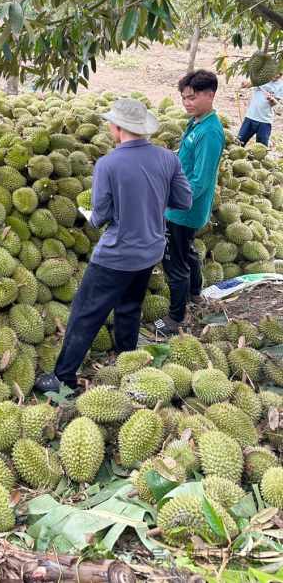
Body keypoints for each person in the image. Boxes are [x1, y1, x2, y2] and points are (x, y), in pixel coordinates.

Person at [35, 99, 192, 394]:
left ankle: (62, 378)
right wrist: (151, 202)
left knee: (85, 313)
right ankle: (126, 363)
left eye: (111, 123)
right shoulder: (167, 158)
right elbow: (184, 201)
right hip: (150, 250)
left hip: (116, 255)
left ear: (118, 128)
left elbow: (101, 217)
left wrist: (91, 216)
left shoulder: (108, 163)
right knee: (130, 306)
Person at [155, 69, 225, 336]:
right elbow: (188, 163)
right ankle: (196, 293)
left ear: (210, 96)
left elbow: (201, 181)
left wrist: (169, 200)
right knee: (187, 248)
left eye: (192, 98)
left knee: (175, 262)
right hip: (185, 207)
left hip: (182, 209)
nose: (186, 103)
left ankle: (175, 319)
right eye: (183, 97)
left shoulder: (209, 132)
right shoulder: (197, 121)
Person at [238, 74, 283, 148]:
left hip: (265, 121)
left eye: (281, 74)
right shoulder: (261, 78)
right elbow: (246, 84)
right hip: (251, 116)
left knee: (261, 149)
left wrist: (271, 99)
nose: (278, 75)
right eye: (277, 72)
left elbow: (274, 103)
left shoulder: (280, 85)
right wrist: (245, 82)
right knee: (238, 143)